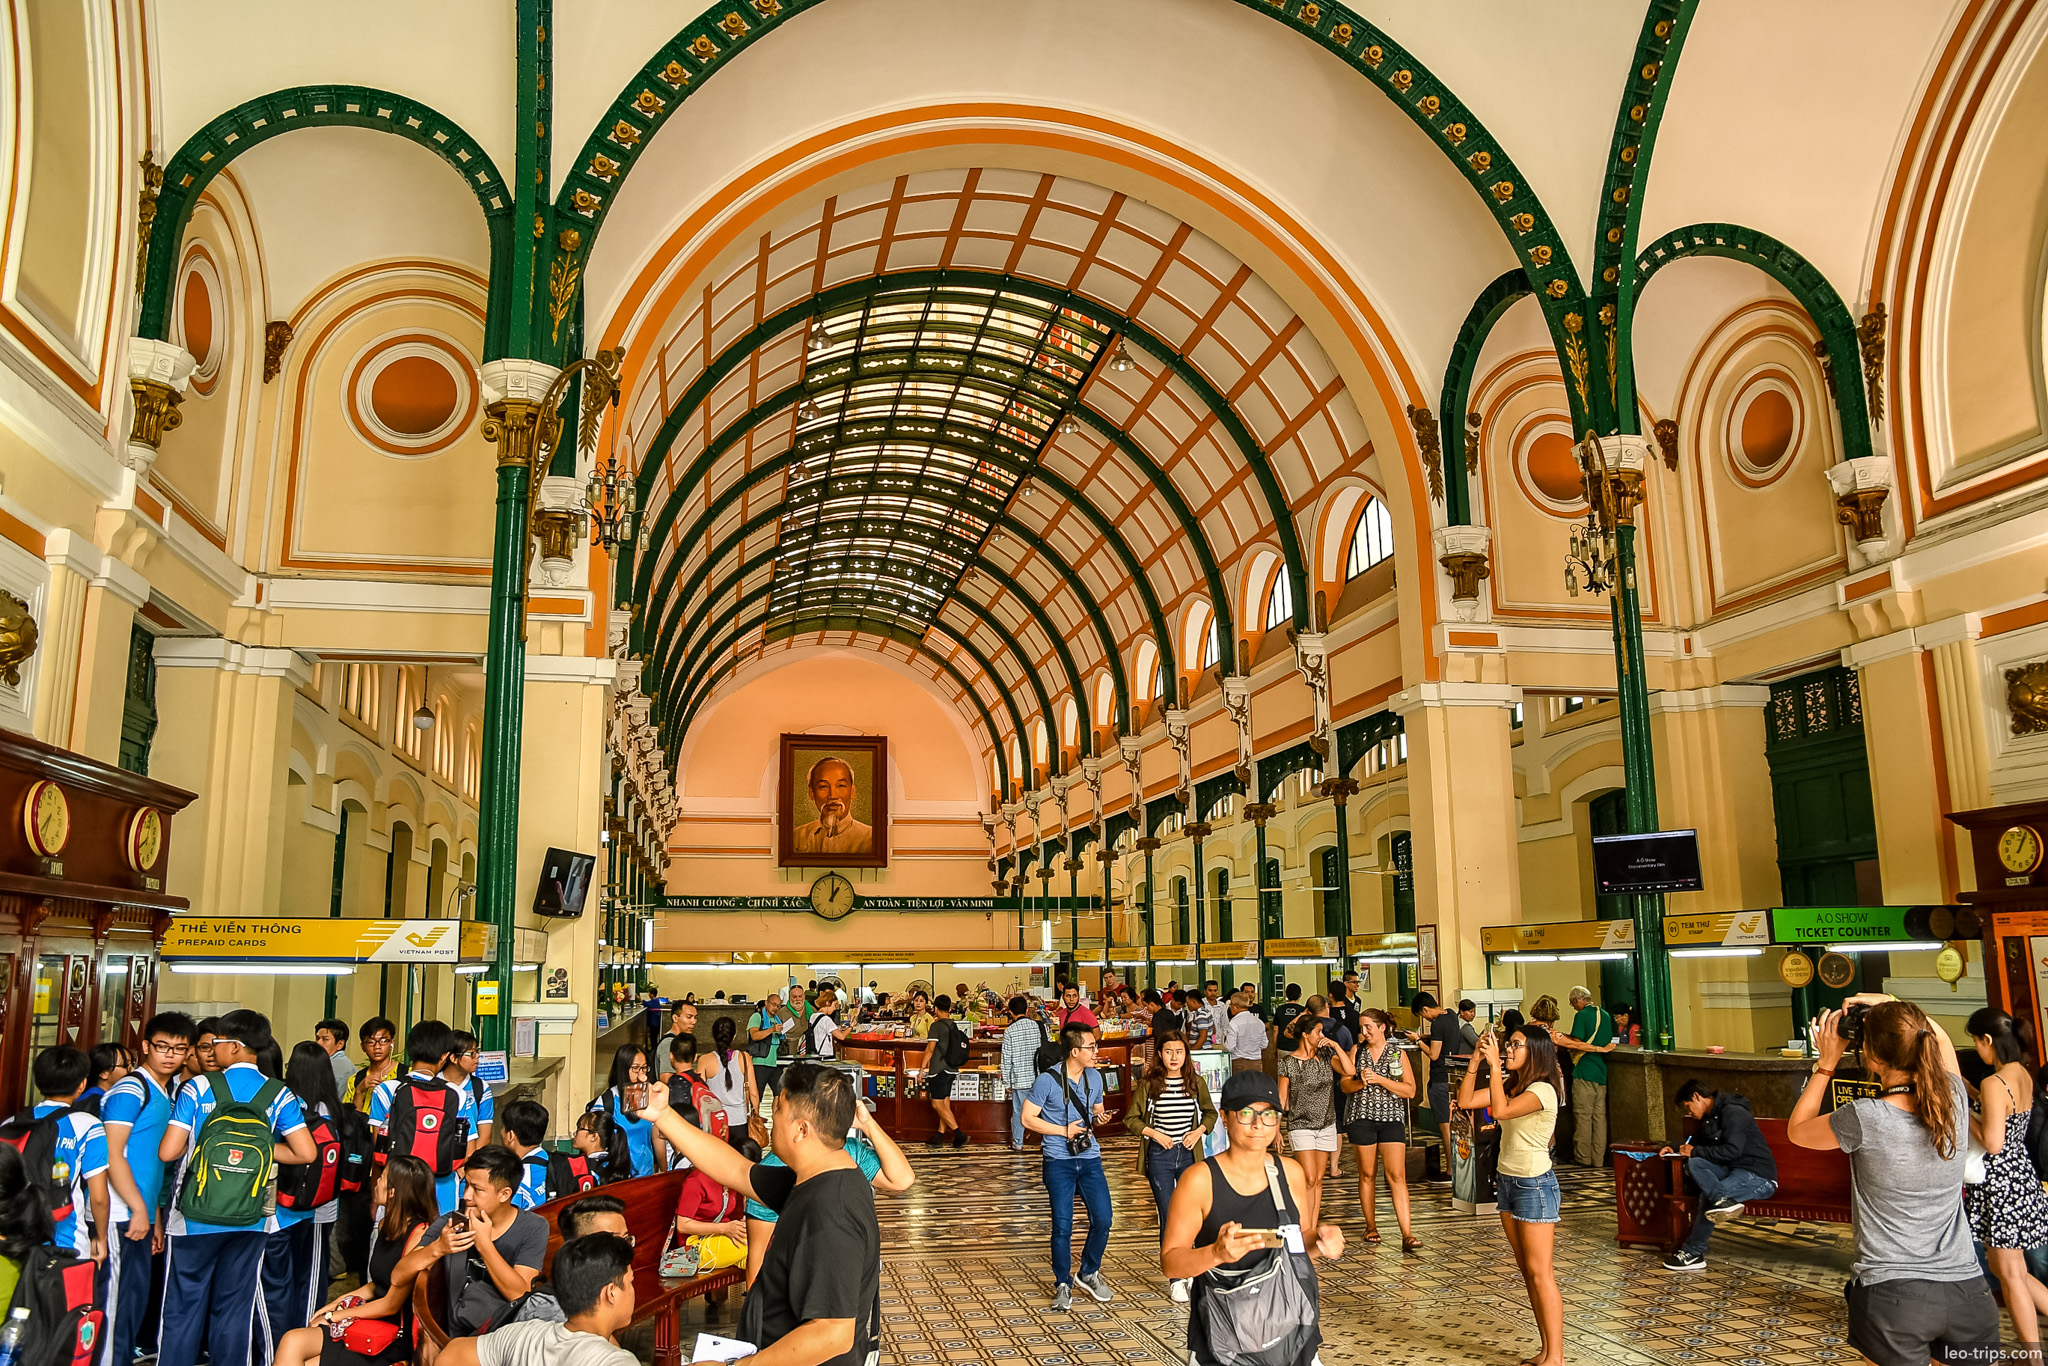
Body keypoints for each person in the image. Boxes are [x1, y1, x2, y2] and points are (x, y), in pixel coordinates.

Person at [1788, 997, 1996, 1365]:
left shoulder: (1865, 1117)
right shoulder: (1955, 1099)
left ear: (1870, 1056)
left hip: (1893, 1295)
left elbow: (1798, 1132)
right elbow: (1939, 1041)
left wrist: (1826, 1064)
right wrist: (1893, 1004)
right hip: (1968, 1293)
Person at [638, 1063, 886, 1366]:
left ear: (802, 1129)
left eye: (779, 1109)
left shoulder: (832, 1211)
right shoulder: (815, 1177)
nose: (771, 1119)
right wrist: (662, 1115)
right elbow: (736, 1170)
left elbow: (833, 1333)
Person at [157, 1009, 320, 1366]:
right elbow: (305, 1152)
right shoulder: (280, 1094)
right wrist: (261, 1148)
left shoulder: (197, 1087)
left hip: (193, 1217)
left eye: (218, 1043)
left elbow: (168, 1151)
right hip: (251, 1218)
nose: (214, 1050)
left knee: (184, 1305)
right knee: (234, 1309)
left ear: (235, 1046)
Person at [1160, 1070, 1344, 1366]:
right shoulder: (1199, 1181)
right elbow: (1171, 1261)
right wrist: (1215, 1253)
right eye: (1246, 1113)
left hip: (1291, 1333)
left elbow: (1298, 1243)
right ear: (1225, 1117)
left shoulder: (1290, 1173)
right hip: (1223, 1338)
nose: (1259, 1124)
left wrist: (1320, 1241)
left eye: (1269, 1114)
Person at [1460, 1024, 1565, 1366]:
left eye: (1516, 1045)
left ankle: (1557, 1357)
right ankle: (1546, 1350)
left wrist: (1493, 1066)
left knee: (1540, 1272)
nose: (1508, 1050)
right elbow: (1466, 1101)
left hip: (1534, 1184)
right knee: (1526, 1270)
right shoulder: (1513, 1085)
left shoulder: (1544, 1091)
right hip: (1507, 1181)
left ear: (1535, 1051)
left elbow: (1501, 1112)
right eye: (1508, 1045)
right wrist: (1476, 1060)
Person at [273, 1155, 438, 1366]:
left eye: (383, 1178)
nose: (376, 1182)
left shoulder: (420, 1235)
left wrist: (337, 1315)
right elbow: (377, 1284)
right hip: (366, 1320)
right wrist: (335, 1304)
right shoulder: (386, 1224)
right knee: (292, 1340)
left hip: (390, 1335)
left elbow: (391, 1304)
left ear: (394, 1191)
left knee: (310, 1362)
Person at [102, 1010, 193, 1366]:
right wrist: (139, 1210)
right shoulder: (131, 1089)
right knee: (120, 1304)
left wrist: (153, 1214)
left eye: (178, 1048)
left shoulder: (164, 1091)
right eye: (162, 1046)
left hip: (139, 1211)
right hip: (119, 1213)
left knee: (134, 1301)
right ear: (145, 1046)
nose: (169, 1054)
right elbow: (112, 1155)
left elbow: (149, 1165)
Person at [1963, 1007, 2048, 1346]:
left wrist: (1964, 1111)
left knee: (2011, 1274)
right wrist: (1971, 1093)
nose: (1976, 1048)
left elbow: (1993, 1143)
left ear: (1987, 1040)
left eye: (1975, 1041)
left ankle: (2032, 1356)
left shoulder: (1994, 1082)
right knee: (2008, 1269)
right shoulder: (2020, 1074)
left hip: (2000, 1184)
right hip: (2020, 1177)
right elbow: (2005, 1118)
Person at [257, 1039, 348, 1353]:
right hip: (322, 1207)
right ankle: (308, 1339)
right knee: (310, 1277)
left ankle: (283, 1345)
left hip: (284, 1206)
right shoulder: (333, 1108)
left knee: (279, 1280)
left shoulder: (284, 1103)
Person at [439, 1232, 641, 1366]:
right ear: (611, 1292)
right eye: (630, 1282)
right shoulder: (615, 1362)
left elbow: (451, 1355)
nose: (633, 1290)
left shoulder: (526, 1334)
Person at [1024, 1022, 1115, 1310]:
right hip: (1058, 1160)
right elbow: (1028, 1119)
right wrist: (1063, 1131)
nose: (1095, 1051)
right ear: (1074, 1051)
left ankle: (1088, 1271)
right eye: (1091, 1047)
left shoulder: (1095, 1078)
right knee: (1062, 1226)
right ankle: (1063, 1282)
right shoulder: (1047, 1081)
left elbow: (1097, 1110)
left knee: (1103, 1219)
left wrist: (1100, 1119)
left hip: (1089, 1157)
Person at [1125, 1033, 1215, 1303]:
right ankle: (1176, 1277)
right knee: (1169, 1215)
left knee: (1194, 1215)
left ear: (1186, 1054)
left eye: (1179, 1051)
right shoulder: (1150, 1084)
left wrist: (1198, 1131)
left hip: (1188, 1156)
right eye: (1168, 1052)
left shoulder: (1195, 1083)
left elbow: (1210, 1113)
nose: (1174, 1057)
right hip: (1160, 1156)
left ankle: (1195, 1271)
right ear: (1160, 1054)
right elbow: (1131, 1119)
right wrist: (1154, 1134)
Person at [1659, 1080, 1778, 1272]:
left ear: (1697, 1096)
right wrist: (1674, 1147)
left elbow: (1732, 1151)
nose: (1689, 1113)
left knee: (1708, 1197)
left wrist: (1695, 1151)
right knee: (1696, 1163)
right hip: (1733, 1171)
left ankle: (1693, 1253)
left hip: (1758, 1176)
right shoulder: (1710, 1116)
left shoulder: (1733, 1113)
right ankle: (1722, 1200)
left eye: (1687, 1106)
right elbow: (1698, 1146)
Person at [369, 1020, 478, 1215]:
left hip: (396, 1189)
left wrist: (375, 1200)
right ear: (445, 1056)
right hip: (443, 1191)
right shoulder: (457, 1094)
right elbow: (469, 1149)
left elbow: (380, 1148)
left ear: (410, 1051)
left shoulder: (386, 1090)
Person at [26, 1046, 109, 1267]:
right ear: (82, 1084)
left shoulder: (13, 1123)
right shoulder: (88, 1125)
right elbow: (98, 1196)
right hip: (67, 1241)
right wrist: (100, 1238)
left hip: (16, 1239)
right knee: (68, 1301)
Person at [1344, 1007, 1418, 1251]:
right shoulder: (1357, 1051)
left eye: (1369, 1027)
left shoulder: (1397, 1053)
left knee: (1396, 1175)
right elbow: (1345, 1085)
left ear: (1382, 1028)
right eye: (1362, 1027)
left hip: (1391, 1118)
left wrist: (1380, 1079)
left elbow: (1410, 1090)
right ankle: (1371, 1225)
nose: (1364, 1032)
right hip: (1362, 1116)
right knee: (1367, 1174)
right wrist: (1359, 1082)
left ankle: (1406, 1232)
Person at [1276, 1013, 1353, 1236]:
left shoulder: (1326, 1055)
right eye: (1318, 1032)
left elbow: (1349, 1070)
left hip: (1327, 1123)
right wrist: (1277, 1129)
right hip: (1300, 1124)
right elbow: (1282, 1098)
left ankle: (1312, 1223)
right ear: (1305, 1034)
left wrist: (1336, 1046)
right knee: (1308, 1177)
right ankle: (1304, 1224)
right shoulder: (1288, 1063)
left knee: (1318, 1179)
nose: (1322, 1035)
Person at [1554, 987, 1615, 1167]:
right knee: (1599, 1117)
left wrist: (1565, 1040)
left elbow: (1578, 1043)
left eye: (1573, 1003)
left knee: (1583, 1116)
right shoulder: (1604, 1014)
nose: (1573, 1007)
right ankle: (1598, 1159)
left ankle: (1583, 1158)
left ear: (1579, 1000)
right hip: (1601, 1071)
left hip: (1584, 1069)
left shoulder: (1581, 1016)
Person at [589, 1044, 663, 1177]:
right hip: (617, 1178)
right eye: (636, 1069)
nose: (642, 1074)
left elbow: (656, 1137)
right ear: (623, 1069)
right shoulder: (607, 1103)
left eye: (644, 1068)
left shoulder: (650, 1098)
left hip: (645, 1176)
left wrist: (664, 1170)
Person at [792, 756, 874, 854]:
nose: (832, 796)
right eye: (824, 786)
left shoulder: (870, 837)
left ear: (852, 792)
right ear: (811, 793)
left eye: (841, 786)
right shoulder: (798, 836)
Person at [918, 995, 968, 1148]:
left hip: (938, 1069)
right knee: (945, 1102)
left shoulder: (936, 1026)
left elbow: (930, 1049)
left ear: (935, 1009)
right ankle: (939, 1135)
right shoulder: (953, 1024)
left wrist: (922, 1068)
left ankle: (959, 1134)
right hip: (952, 1068)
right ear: (950, 1009)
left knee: (936, 1103)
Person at [1000, 995, 1046, 1152]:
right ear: (1027, 1010)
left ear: (1010, 1012)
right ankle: (1045, 1142)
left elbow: (1007, 1059)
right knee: (1042, 1111)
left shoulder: (1010, 1031)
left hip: (1019, 1080)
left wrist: (1007, 1082)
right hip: (1038, 1078)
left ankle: (1018, 1143)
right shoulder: (1038, 1027)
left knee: (1019, 1113)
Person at [444, 1029, 495, 1146]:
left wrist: (470, 1161)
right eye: (471, 1054)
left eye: (477, 1052)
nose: (477, 1057)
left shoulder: (481, 1088)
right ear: (453, 1058)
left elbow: (485, 1136)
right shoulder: (435, 1084)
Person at [499, 1099, 552, 1209]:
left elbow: (509, 1218)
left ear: (511, 1135)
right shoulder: (550, 1159)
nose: (501, 1132)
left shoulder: (519, 1177)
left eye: (503, 1127)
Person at [342, 1017, 398, 1111]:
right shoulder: (355, 1080)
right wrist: (359, 1091)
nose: (377, 1047)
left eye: (383, 1041)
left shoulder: (406, 1074)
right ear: (362, 1046)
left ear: (392, 1043)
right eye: (371, 1042)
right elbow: (351, 1120)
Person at [747, 991, 794, 1101]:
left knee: (780, 1095)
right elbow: (754, 1035)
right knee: (757, 1095)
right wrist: (772, 1030)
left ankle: (777, 1116)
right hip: (761, 1062)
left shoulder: (777, 1019)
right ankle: (755, 1117)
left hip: (776, 1063)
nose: (776, 1008)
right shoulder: (757, 1017)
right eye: (773, 1004)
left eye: (778, 1005)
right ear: (767, 1003)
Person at [572, 1107, 632, 1183]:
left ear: (594, 1137)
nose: (575, 1133)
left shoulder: (590, 1171)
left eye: (579, 1128)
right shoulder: (612, 1166)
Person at [1223, 990, 1268, 1074]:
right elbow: (1264, 1044)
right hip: (1257, 1062)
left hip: (1239, 1062)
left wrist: (1223, 1046)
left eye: (1231, 1005)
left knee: (1240, 1087)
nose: (1230, 1007)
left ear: (1236, 1006)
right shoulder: (1259, 1022)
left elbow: (1229, 1047)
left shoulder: (1234, 1023)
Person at [316, 1019, 354, 1099]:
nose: (318, 1043)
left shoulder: (338, 1066)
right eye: (317, 1038)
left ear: (340, 1044)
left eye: (325, 1039)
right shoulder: (326, 1062)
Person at [809, 988, 851, 1060]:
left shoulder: (813, 1016)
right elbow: (841, 1036)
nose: (835, 1008)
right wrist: (851, 1026)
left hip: (815, 1054)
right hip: (825, 1056)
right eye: (834, 1005)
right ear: (828, 1003)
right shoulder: (826, 1020)